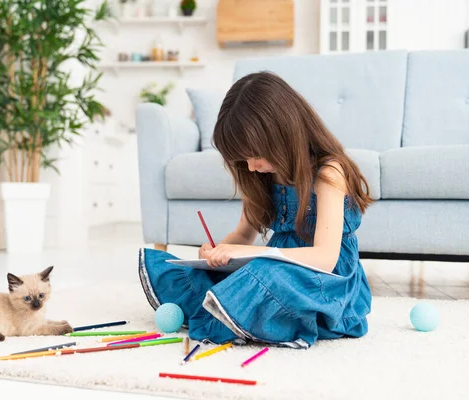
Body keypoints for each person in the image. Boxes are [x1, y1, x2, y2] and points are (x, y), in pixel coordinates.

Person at [138, 72, 373, 349]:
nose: (250, 166)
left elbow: (324, 259)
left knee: (265, 275)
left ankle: (231, 313)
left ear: (283, 135)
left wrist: (251, 254)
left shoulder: (328, 174)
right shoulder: (262, 176)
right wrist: (218, 252)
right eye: (244, 158)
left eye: (256, 155)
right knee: (211, 274)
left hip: (325, 284)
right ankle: (230, 310)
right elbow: (243, 235)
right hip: (271, 266)